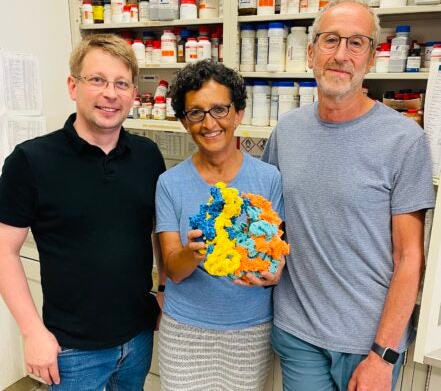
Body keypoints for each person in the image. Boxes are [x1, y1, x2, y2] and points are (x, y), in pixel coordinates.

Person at [262, 0, 435, 391]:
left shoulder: (404, 141)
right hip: (298, 333)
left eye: (356, 43)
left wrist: (383, 354)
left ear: (371, 57)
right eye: (330, 40)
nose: (341, 55)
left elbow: (410, 257)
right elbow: (273, 225)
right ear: (310, 52)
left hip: (367, 344)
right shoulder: (286, 133)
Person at [0, 34, 166, 390]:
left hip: (139, 335)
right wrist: (33, 333)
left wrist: (164, 286)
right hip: (72, 348)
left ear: (134, 94)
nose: (110, 93)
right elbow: (4, 250)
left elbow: (158, 229)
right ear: (73, 85)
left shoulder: (147, 155)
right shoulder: (30, 161)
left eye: (121, 83)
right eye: (97, 80)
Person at [155, 60, 287, 390]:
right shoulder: (169, 184)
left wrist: (276, 268)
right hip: (185, 329)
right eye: (196, 113)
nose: (209, 123)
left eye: (219, 109)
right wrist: (193, 251)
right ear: (185, 122)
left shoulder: (268, 179)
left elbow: (275, 248)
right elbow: (174, 269)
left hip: (250, 329)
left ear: (238, 112)